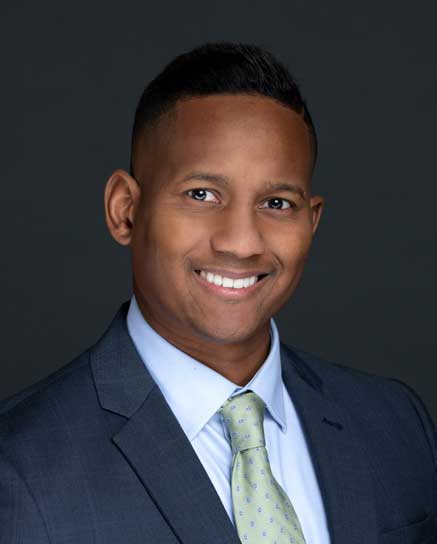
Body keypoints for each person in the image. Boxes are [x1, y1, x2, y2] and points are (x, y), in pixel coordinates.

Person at [0, 42, 435, 544]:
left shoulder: (397, 424)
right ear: (126, 210)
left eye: (276, 202)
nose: (241, 242)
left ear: (312, 222)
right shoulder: (19, 469)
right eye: (201, 195)